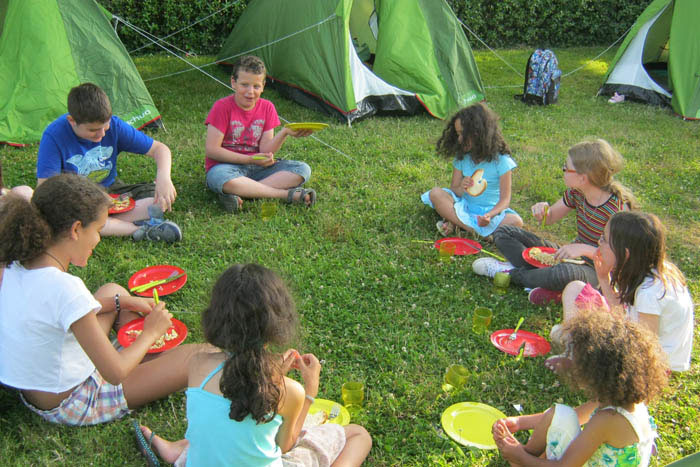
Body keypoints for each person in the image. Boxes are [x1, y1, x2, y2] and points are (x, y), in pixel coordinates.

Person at [0, 174, 205, 425]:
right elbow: (115, 373)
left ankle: (146, 356)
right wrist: (150, 333)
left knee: (112, 292)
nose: (98, 240)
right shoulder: (64, 288)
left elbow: (56, 314)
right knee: (197, 357)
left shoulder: (15, 265)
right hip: (73, 401)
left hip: (38, 388)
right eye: (98, 230)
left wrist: (122, 303)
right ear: (76, 229)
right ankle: (149, 355)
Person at [136, 264, 372, 466]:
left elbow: (236, 388)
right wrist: (309, 391)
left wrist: (272, 370)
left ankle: (179, 451)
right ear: (278, 324)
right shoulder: (289, 391)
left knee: (219, 432)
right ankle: (178, 450)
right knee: (358, 435)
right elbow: (286, 446)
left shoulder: (197, 365)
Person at [492, 311, 668, 467]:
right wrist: (520, 422)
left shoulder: (607, 419)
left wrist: (519, 456)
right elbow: (577, 415)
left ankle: (522, 461)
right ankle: (526, 456)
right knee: (560, 413)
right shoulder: (623, 399)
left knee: (556, 421)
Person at [473, 139, 637, 306]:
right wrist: (543, 211)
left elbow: (620, 259)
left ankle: (509, 273)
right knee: (504, 232)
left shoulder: (618, 209)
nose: (563, 170)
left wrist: (586, 249)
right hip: (569, 255)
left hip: (598, 271)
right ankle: (544, 282)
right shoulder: (577, 193)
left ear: (582, 178)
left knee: (563, 273)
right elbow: (550, 218)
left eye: (566, 168)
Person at [36, 83, 182, 242]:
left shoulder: (115, 125)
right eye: (92, 130)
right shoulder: (54, 135)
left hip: (111, 191)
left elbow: (160, 149)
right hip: (74, 197)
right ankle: (138, 229)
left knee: (158, 198)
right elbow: (46, 189)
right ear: (72, 121)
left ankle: (96, 225)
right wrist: (91, 198)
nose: (100, 135)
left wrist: (164, 178)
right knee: (55, 212)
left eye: (105, 127)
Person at [550, 211, 694, 372]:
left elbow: (644, 349)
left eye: (604, 240)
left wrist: (598, 338)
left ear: (625, 254)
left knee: (562, 333)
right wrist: (603, 278)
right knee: (575, 288)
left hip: (653, 363)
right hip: (632, 334)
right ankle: (573, 346)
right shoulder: (642, 269)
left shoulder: (650, 293)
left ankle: (574, 350)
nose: (599, 242)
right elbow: (623, 313)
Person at [204, 55, 317, 213]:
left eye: (256, 86)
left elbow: (265, 150)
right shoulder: (221, 107)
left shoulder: (267, 107)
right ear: (233, 83)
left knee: (302, 169)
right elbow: (212, 150)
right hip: (225, 168)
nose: (250, 92)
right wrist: (249, 159)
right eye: (244, 85)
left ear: (263, 86)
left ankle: (245, 192)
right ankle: (285, 195)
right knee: (219, 178)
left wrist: (284, 132)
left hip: (257, 169)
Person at [421, 103, 522, 238]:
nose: (459, 139)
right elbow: (454, 189)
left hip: (489, 213)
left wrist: (489, 216)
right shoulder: (462, 158)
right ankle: (473, 230)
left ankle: (456, 223)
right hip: (465, 208)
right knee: (436, 194)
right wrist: (462, 188)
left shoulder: (502, 162)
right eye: (458, 134)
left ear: (479, 133)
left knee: (516, 221)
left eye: (463, 134)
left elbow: (505, 200)